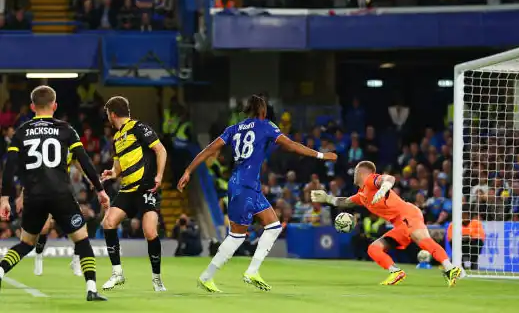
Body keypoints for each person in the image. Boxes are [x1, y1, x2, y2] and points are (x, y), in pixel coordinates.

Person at [177, 94, 337, 292]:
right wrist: (321, 155)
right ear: (263, 111)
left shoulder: (233, 129)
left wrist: (188, 171)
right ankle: (209, 276)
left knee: (273, 225)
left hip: (239, 183)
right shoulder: (266, 125)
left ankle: (249, 271)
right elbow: (292, 146)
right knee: (237, 236)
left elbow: (209, 149)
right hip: (247, 185)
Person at [0, 85, 109, 301]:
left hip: (33, 196)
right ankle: (91, 289)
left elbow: (10, 166)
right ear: (55, 105)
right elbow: (84, 161)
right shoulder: (66, 129)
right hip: (61, 195)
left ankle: (0, 271)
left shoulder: (21, 131)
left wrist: (5, 197)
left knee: (25, 243)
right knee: (82, 240)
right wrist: (100, 189)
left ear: (32, 107)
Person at [311, 160, 462, 286]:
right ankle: (395, 272)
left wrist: (383, 189)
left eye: (356, 172)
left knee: (421, 239)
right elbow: (345, 202)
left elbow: (389, 179)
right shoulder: (362, 194)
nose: (353, 175)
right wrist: (327, 199)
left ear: (363, 173)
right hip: (399, 224)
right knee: (373, 249)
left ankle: (450, 268)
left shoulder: (371, 180)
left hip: (408, 214)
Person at [100, 96, 168, 292]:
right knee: (109, 222)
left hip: (146, 187)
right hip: (127, 189)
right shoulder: (116, 138)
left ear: (113, 114)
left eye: (108, 115)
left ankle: (157, 278)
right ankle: (117, 273)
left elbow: (160, 150)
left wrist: (160, 176)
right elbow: (119, 163)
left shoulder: (139, 127)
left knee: (150, 231)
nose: (108, 119)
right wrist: (113, 173)